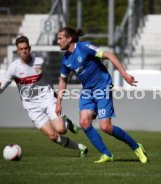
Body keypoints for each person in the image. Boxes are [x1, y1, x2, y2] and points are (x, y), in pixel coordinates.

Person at [56, 27, 148, 163]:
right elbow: (63, 80)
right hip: (88, 91)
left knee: (105, 126)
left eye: (60, 38)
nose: (57, 41)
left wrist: (124, 75)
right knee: (84, 122)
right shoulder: (65, 59)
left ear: (69, 39)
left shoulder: (85, 47)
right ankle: (107, 154)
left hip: (102, 87)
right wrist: (59, 102)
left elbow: (110, 55)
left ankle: (136, 147)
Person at [0, 36, 88, 157]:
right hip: (31, 106)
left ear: (30, 48)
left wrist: (53, 93)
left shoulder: (40, 62)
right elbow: (0, 90)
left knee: (61, 130)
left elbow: (47, 78)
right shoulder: (13, 68)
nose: (24, 51)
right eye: (21, 49)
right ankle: (80, 148)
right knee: (53, 136)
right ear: (17, 51)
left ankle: (65, 122)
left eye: (26, 48)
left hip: (47, 99)